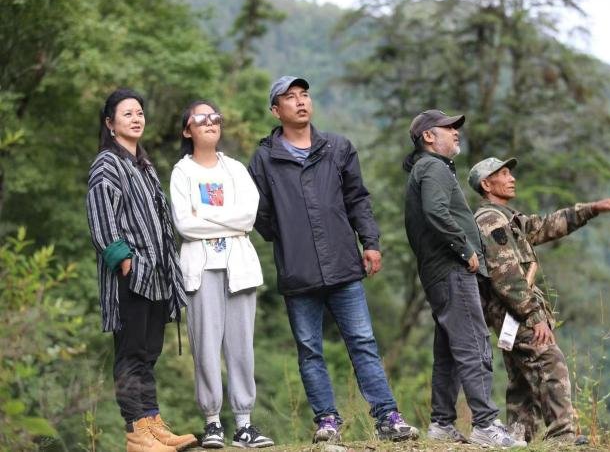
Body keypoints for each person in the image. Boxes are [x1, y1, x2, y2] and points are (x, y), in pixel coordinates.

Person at [247, 76, 419, 443]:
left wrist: (370, 242)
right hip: (298, 271)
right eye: (289, 98)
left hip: (343, 264)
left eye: (304, 94)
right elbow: (258, 212)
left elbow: (358, 198)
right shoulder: (264, 158)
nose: (300, 102)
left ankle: (388, 416)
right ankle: (327, 421)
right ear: (276, 111)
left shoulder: (337, 147)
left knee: (363, 342)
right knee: (310, 350)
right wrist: (289, 235)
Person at [468, 156, 610, 445]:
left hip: (511, 312)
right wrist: (533, 315)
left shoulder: (507, 218)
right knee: (549, 359)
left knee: (522, 377)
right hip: (513, 311)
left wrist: (591, 209)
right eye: (503, 174)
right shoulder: (490, 220)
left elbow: (548, 225)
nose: (511, 177)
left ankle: (518, 438)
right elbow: (506, 275)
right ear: (487, 184)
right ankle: (561, 436)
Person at [402, 110, 526, 448]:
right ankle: (486, 425)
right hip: (452, 270)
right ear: (429, 136)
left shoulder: (425, 169)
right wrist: (465, 250)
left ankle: (442, 424)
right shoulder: (433, 167)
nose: (456, 132)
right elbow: (436, 212)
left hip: (437, 274)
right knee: (474, 344)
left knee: (448, 351)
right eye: (449, 128)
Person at [86, 88, 197, 452]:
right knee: (131, 352)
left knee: (149, 351)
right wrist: (124, 260)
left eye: (140, 113)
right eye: (127, 114)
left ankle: (152, 422)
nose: (137, 118)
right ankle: (136, 432)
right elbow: (102, 219)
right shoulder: (106, 163)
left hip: (157, 276)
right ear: (110, 123)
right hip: (131, 277)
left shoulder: (143, 164)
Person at [170, 100, 274, 449]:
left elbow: (248, 218)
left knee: (242, 346)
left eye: (215, 117)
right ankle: (212, 421)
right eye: (201, 119)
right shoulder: (182, 172)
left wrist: (207, 215)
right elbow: (184, 223)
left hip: (239, 268)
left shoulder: (236, 169)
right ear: (188, 130)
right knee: (206, 346)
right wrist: (227, 218)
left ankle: (244, 424)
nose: (211, 122)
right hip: (201, 269)